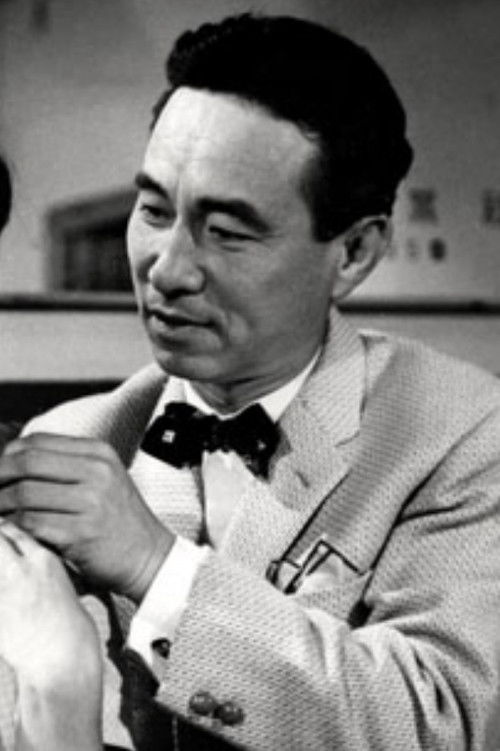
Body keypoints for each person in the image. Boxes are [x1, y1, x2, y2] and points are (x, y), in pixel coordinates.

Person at [1, 12, 500, 751]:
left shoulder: (464, 433)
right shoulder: (68, 442)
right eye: (153, 210)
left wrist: (155, 567)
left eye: (228, 232)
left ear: (355, 253)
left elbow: (443, 717)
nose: (168, 269)